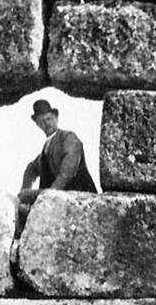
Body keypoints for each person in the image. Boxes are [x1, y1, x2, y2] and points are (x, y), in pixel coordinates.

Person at [16, 98, 98, 237]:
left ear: (56, 117)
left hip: (81, 199)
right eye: (42, 121)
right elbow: (31, 168)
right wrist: (25, 189)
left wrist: (50, 194)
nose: (47, 124)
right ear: (37, 124)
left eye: (49, 119)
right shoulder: (47, 148)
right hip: (58, 199)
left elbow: (67, 171)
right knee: (22, 199)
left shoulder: (68, 138)